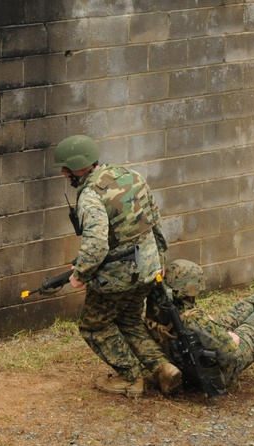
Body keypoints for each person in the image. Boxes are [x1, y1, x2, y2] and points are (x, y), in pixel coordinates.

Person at [52, 134, 181, 398]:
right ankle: (163, 368)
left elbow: (97, 244)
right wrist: (160, 260)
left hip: (116, 278)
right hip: (148, 268)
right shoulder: (130, 176)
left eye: (65, 169)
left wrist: (80, 275)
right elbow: (155, 219)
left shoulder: (89, 196)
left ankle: (130, 377)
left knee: (94, 326)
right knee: (130, 319)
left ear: (75, 168)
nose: (64, 174)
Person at [146, 241, 254, 387]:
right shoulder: (193, 318)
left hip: (195, 356)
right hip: (217, 369)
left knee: (247, 305)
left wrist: (211, 327)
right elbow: (232, 351)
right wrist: (231, 337)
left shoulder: (159, 307)